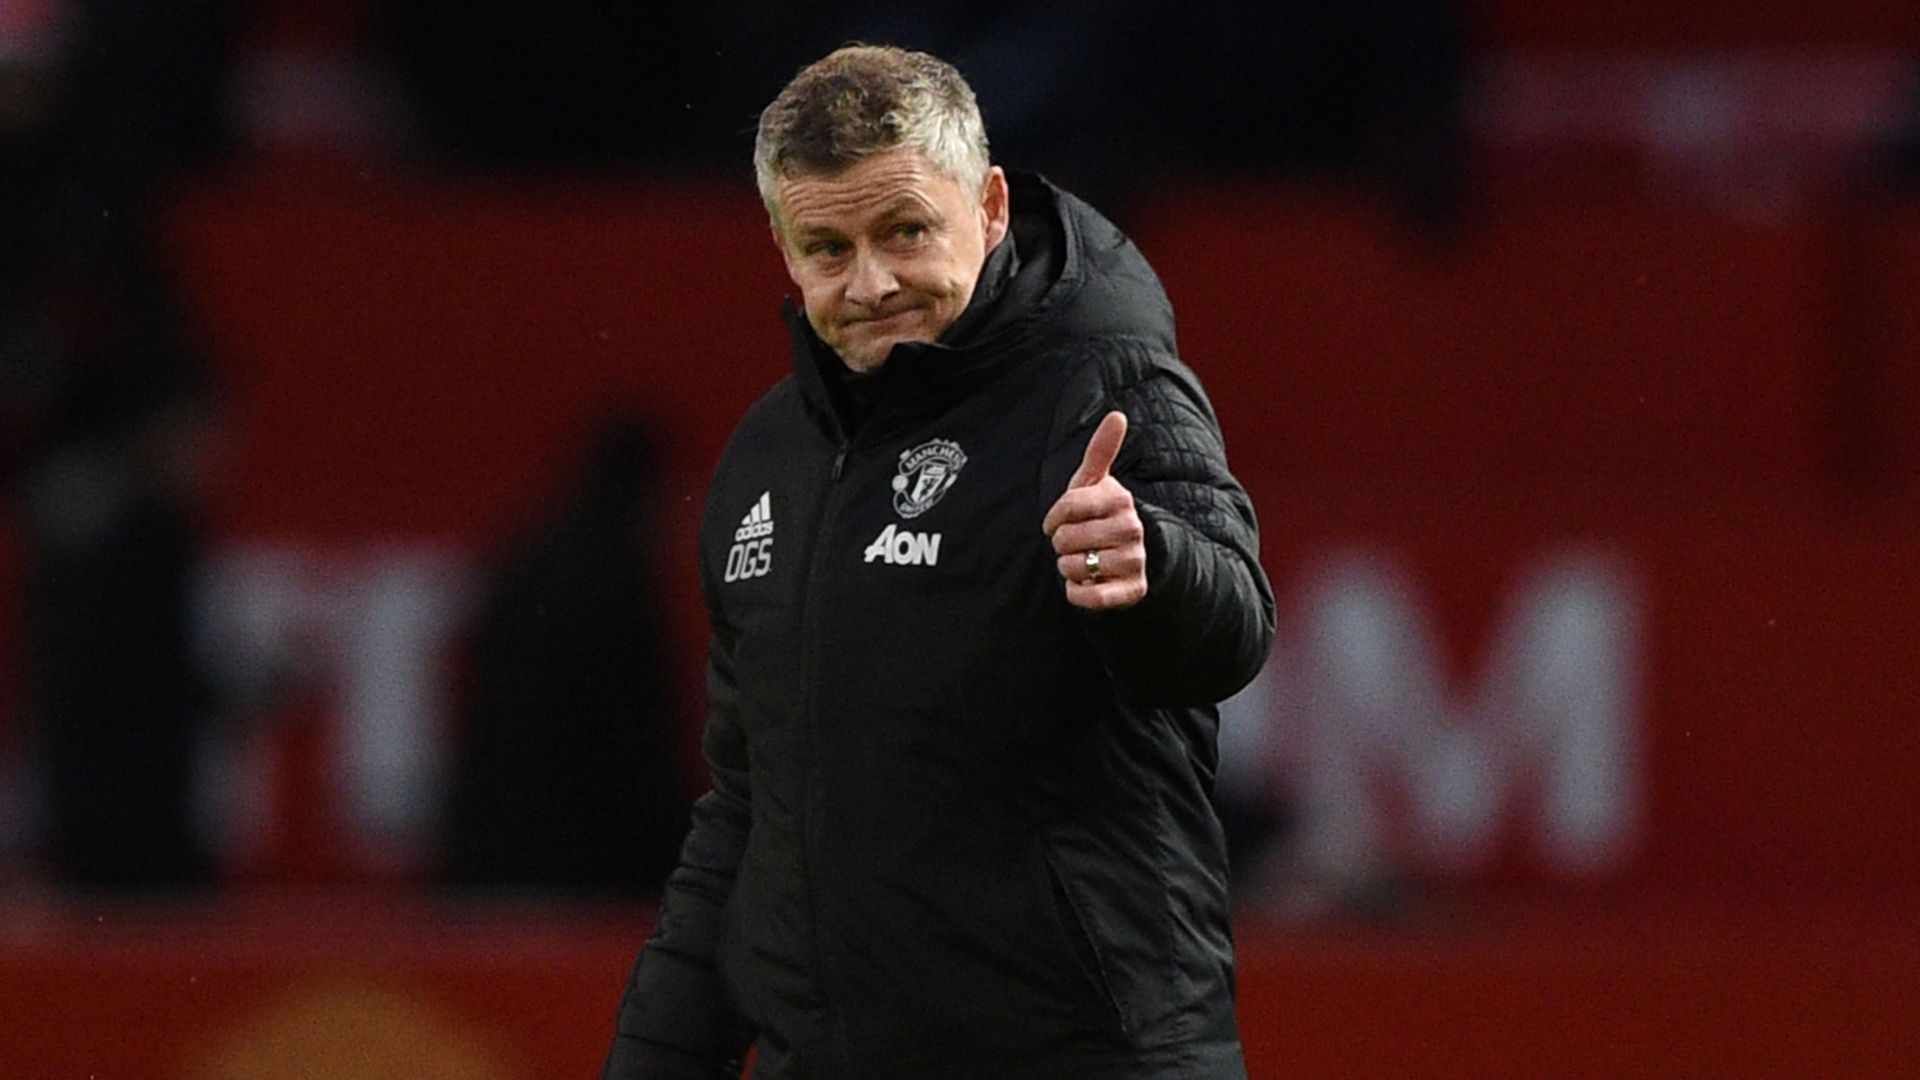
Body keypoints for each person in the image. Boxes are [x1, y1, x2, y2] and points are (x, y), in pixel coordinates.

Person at [603, 45, 1274, 1079]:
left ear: (991, 207)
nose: (871, 283)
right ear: (782, 247)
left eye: (905, 231)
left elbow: (1228, 637)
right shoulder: (770, 456)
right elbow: (747, 813)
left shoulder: (1103, 385)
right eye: (827, 248)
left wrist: (1155, 569)